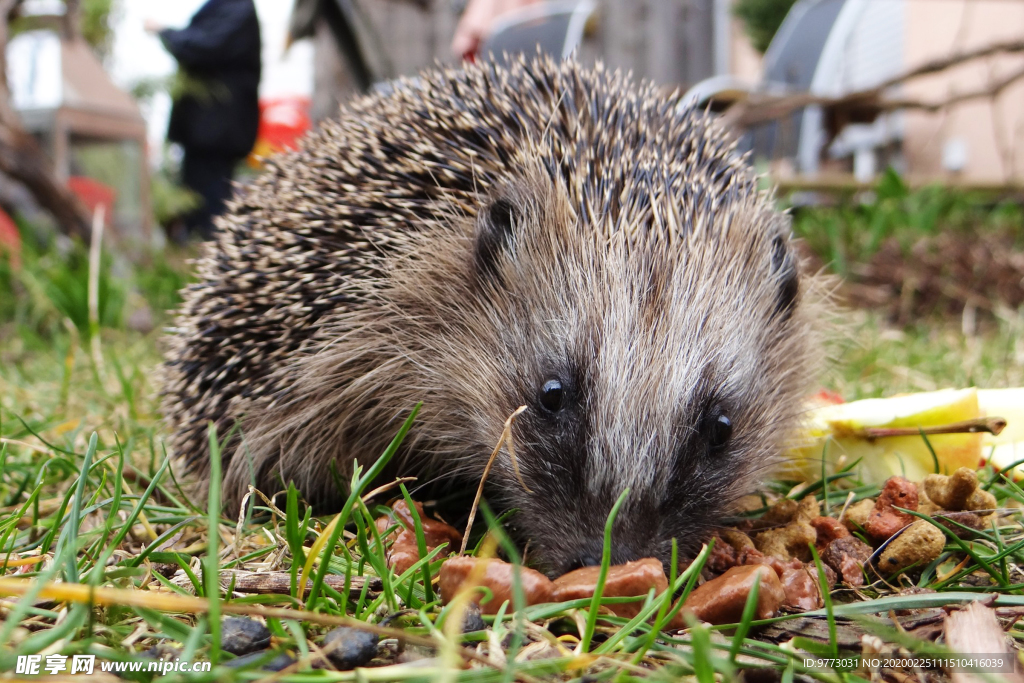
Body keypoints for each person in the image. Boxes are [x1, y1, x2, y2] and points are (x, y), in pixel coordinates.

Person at [146, 0, 261, 241]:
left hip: (216, 135)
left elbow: (203, 47)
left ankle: (207, 251)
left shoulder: (238, 8)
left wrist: (165, 32)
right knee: (193, 209)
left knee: (210, 215)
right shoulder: (225, 7)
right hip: (201, 135)